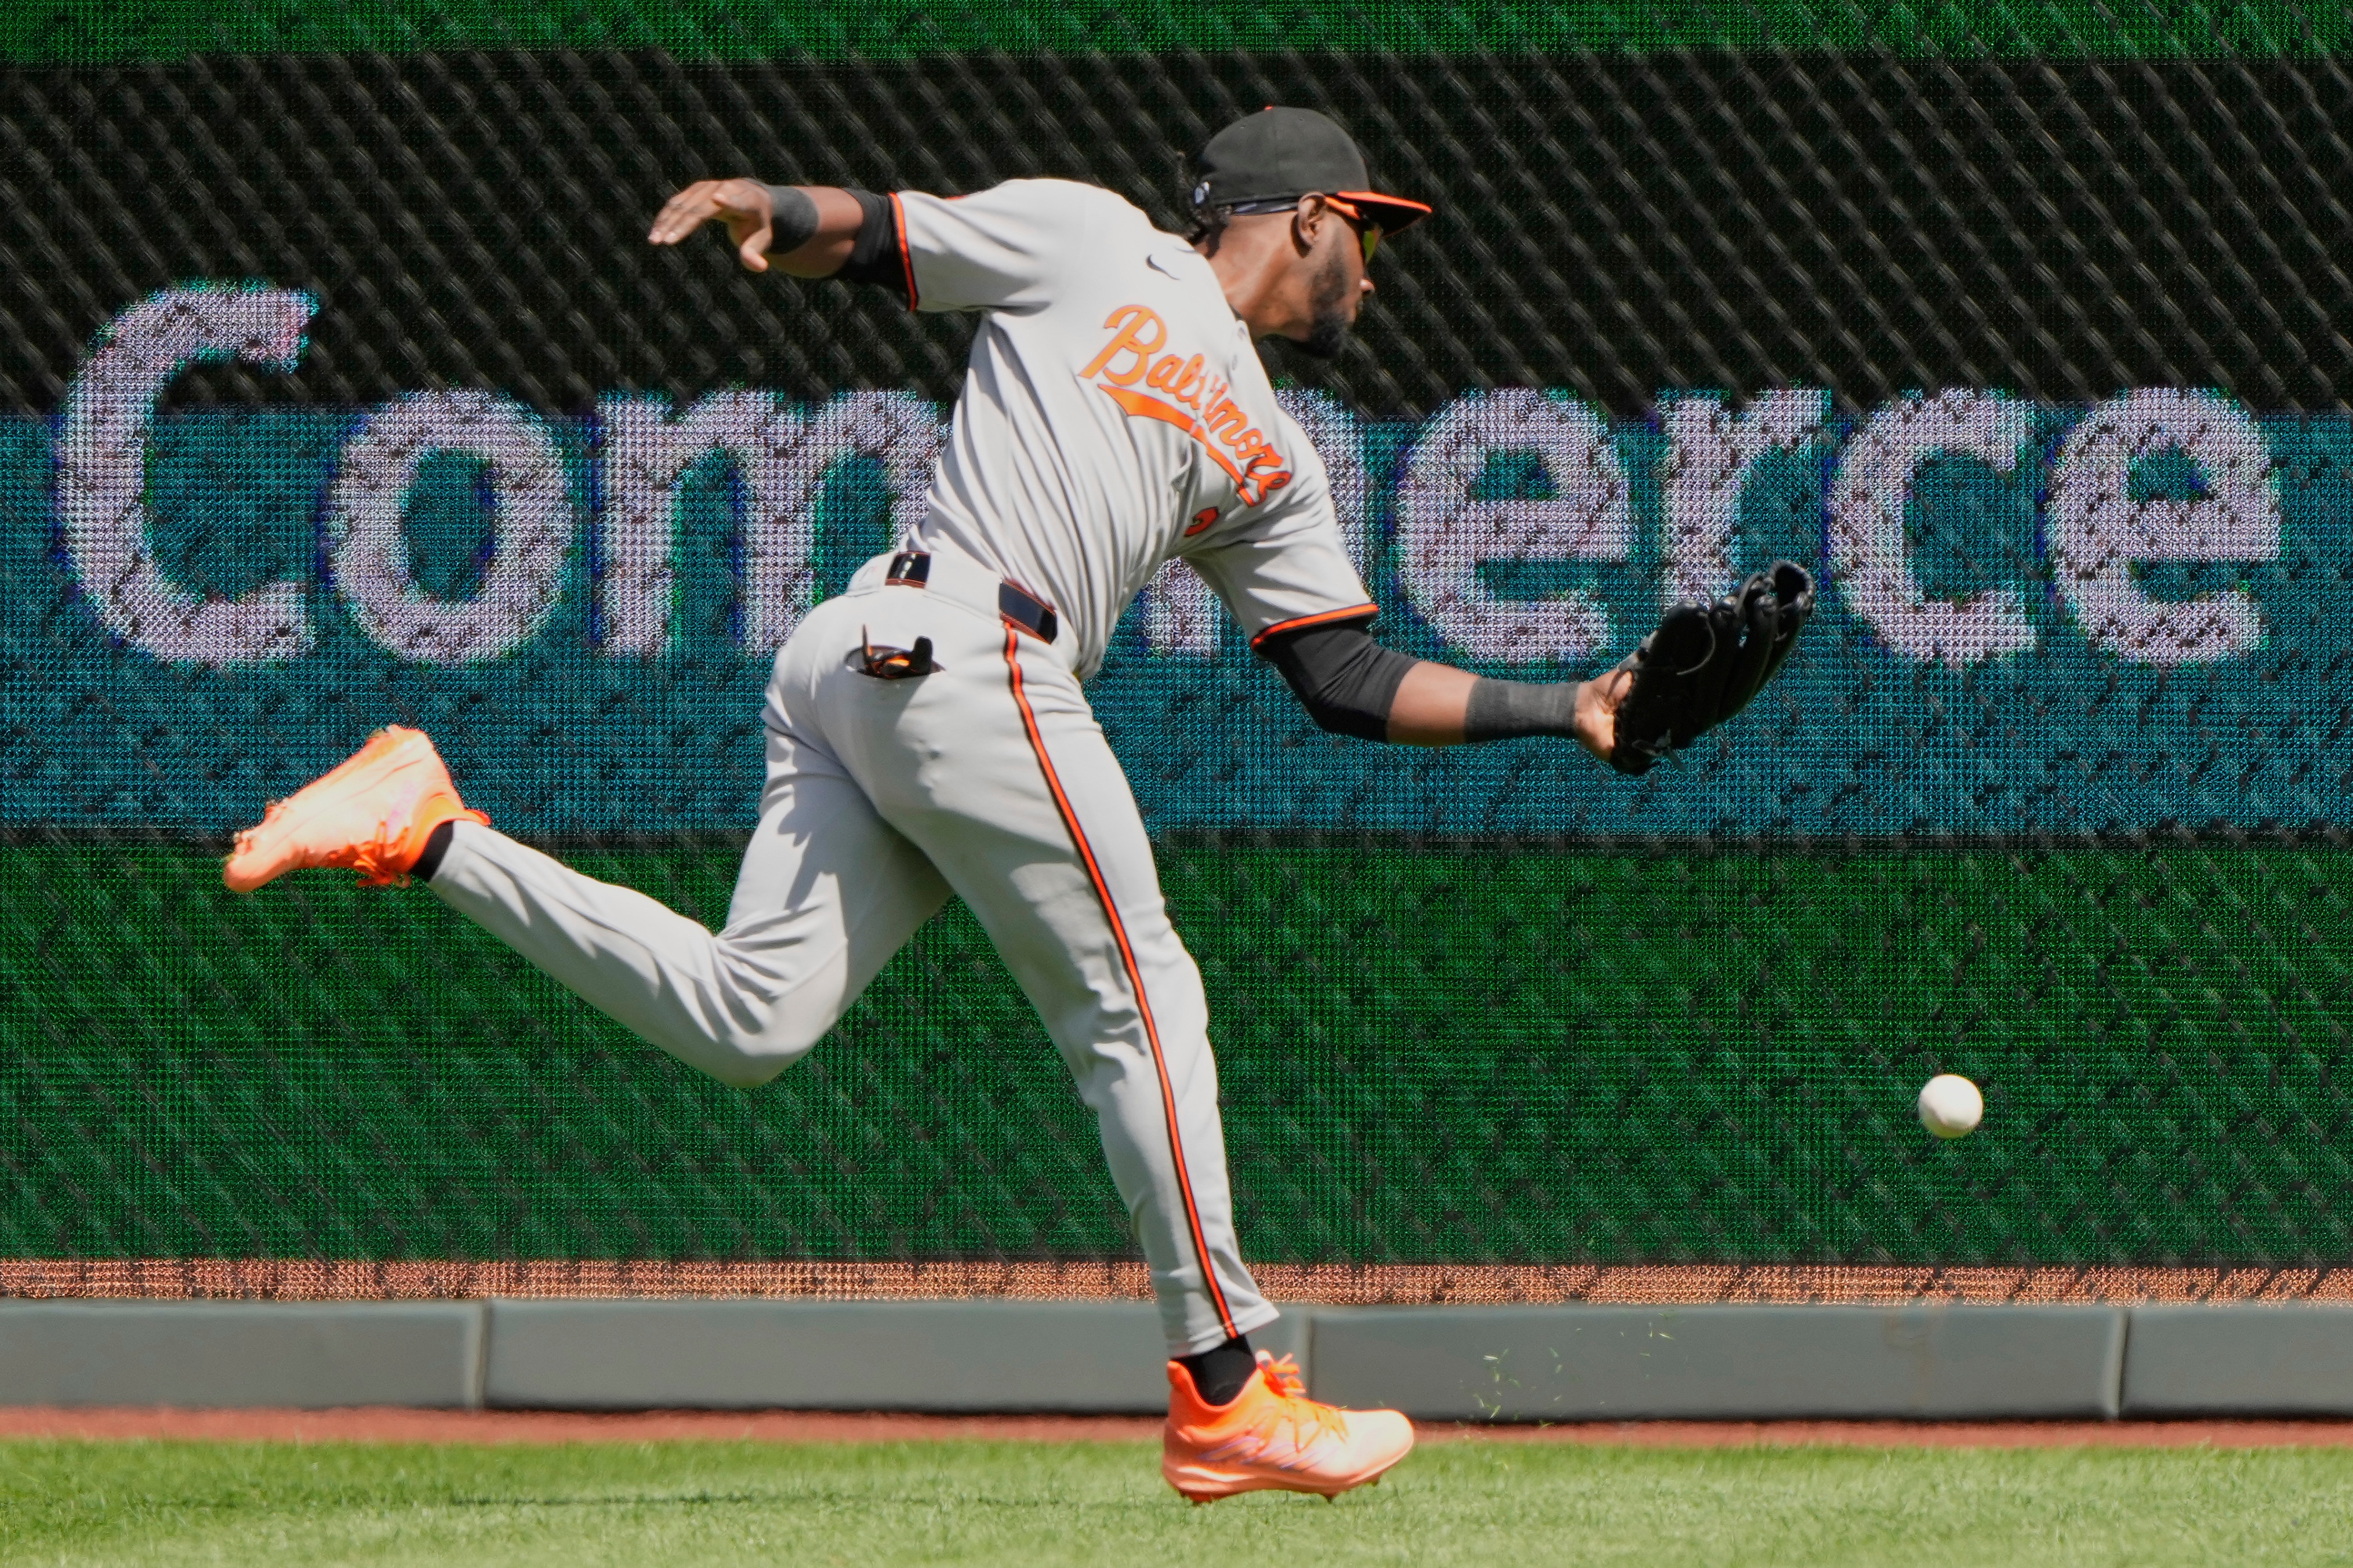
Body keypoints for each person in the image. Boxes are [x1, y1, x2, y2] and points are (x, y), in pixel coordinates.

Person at [223, 107, 1806, 1500]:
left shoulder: (1270, 451)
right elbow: (882, 235)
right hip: (954, 640)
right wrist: (768, 209)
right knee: (1142, 994)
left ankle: (425, 824)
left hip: (892, 665)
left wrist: (1576, 707)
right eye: (1369, 238)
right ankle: (1226, 1390)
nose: (1377, 274)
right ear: (1307, 216)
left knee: (748, 1014)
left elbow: (1340, 673)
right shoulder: (1096, 240)